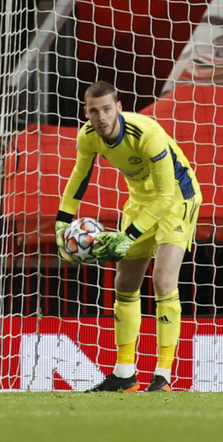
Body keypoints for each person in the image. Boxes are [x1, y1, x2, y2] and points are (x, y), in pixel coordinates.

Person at [55, 81, 202, 392]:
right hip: (140, 202)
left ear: (118, 108)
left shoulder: (147, 133)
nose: (101, 117)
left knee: (163, 279)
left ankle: (163, 376)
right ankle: (124, 373)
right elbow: (79, 179)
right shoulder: (88, 136)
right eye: (94, 111)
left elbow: (164, 196)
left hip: (178, 198)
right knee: (124, 283)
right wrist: (61, 224)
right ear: (87, 112)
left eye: (107, 109)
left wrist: (127, 236)